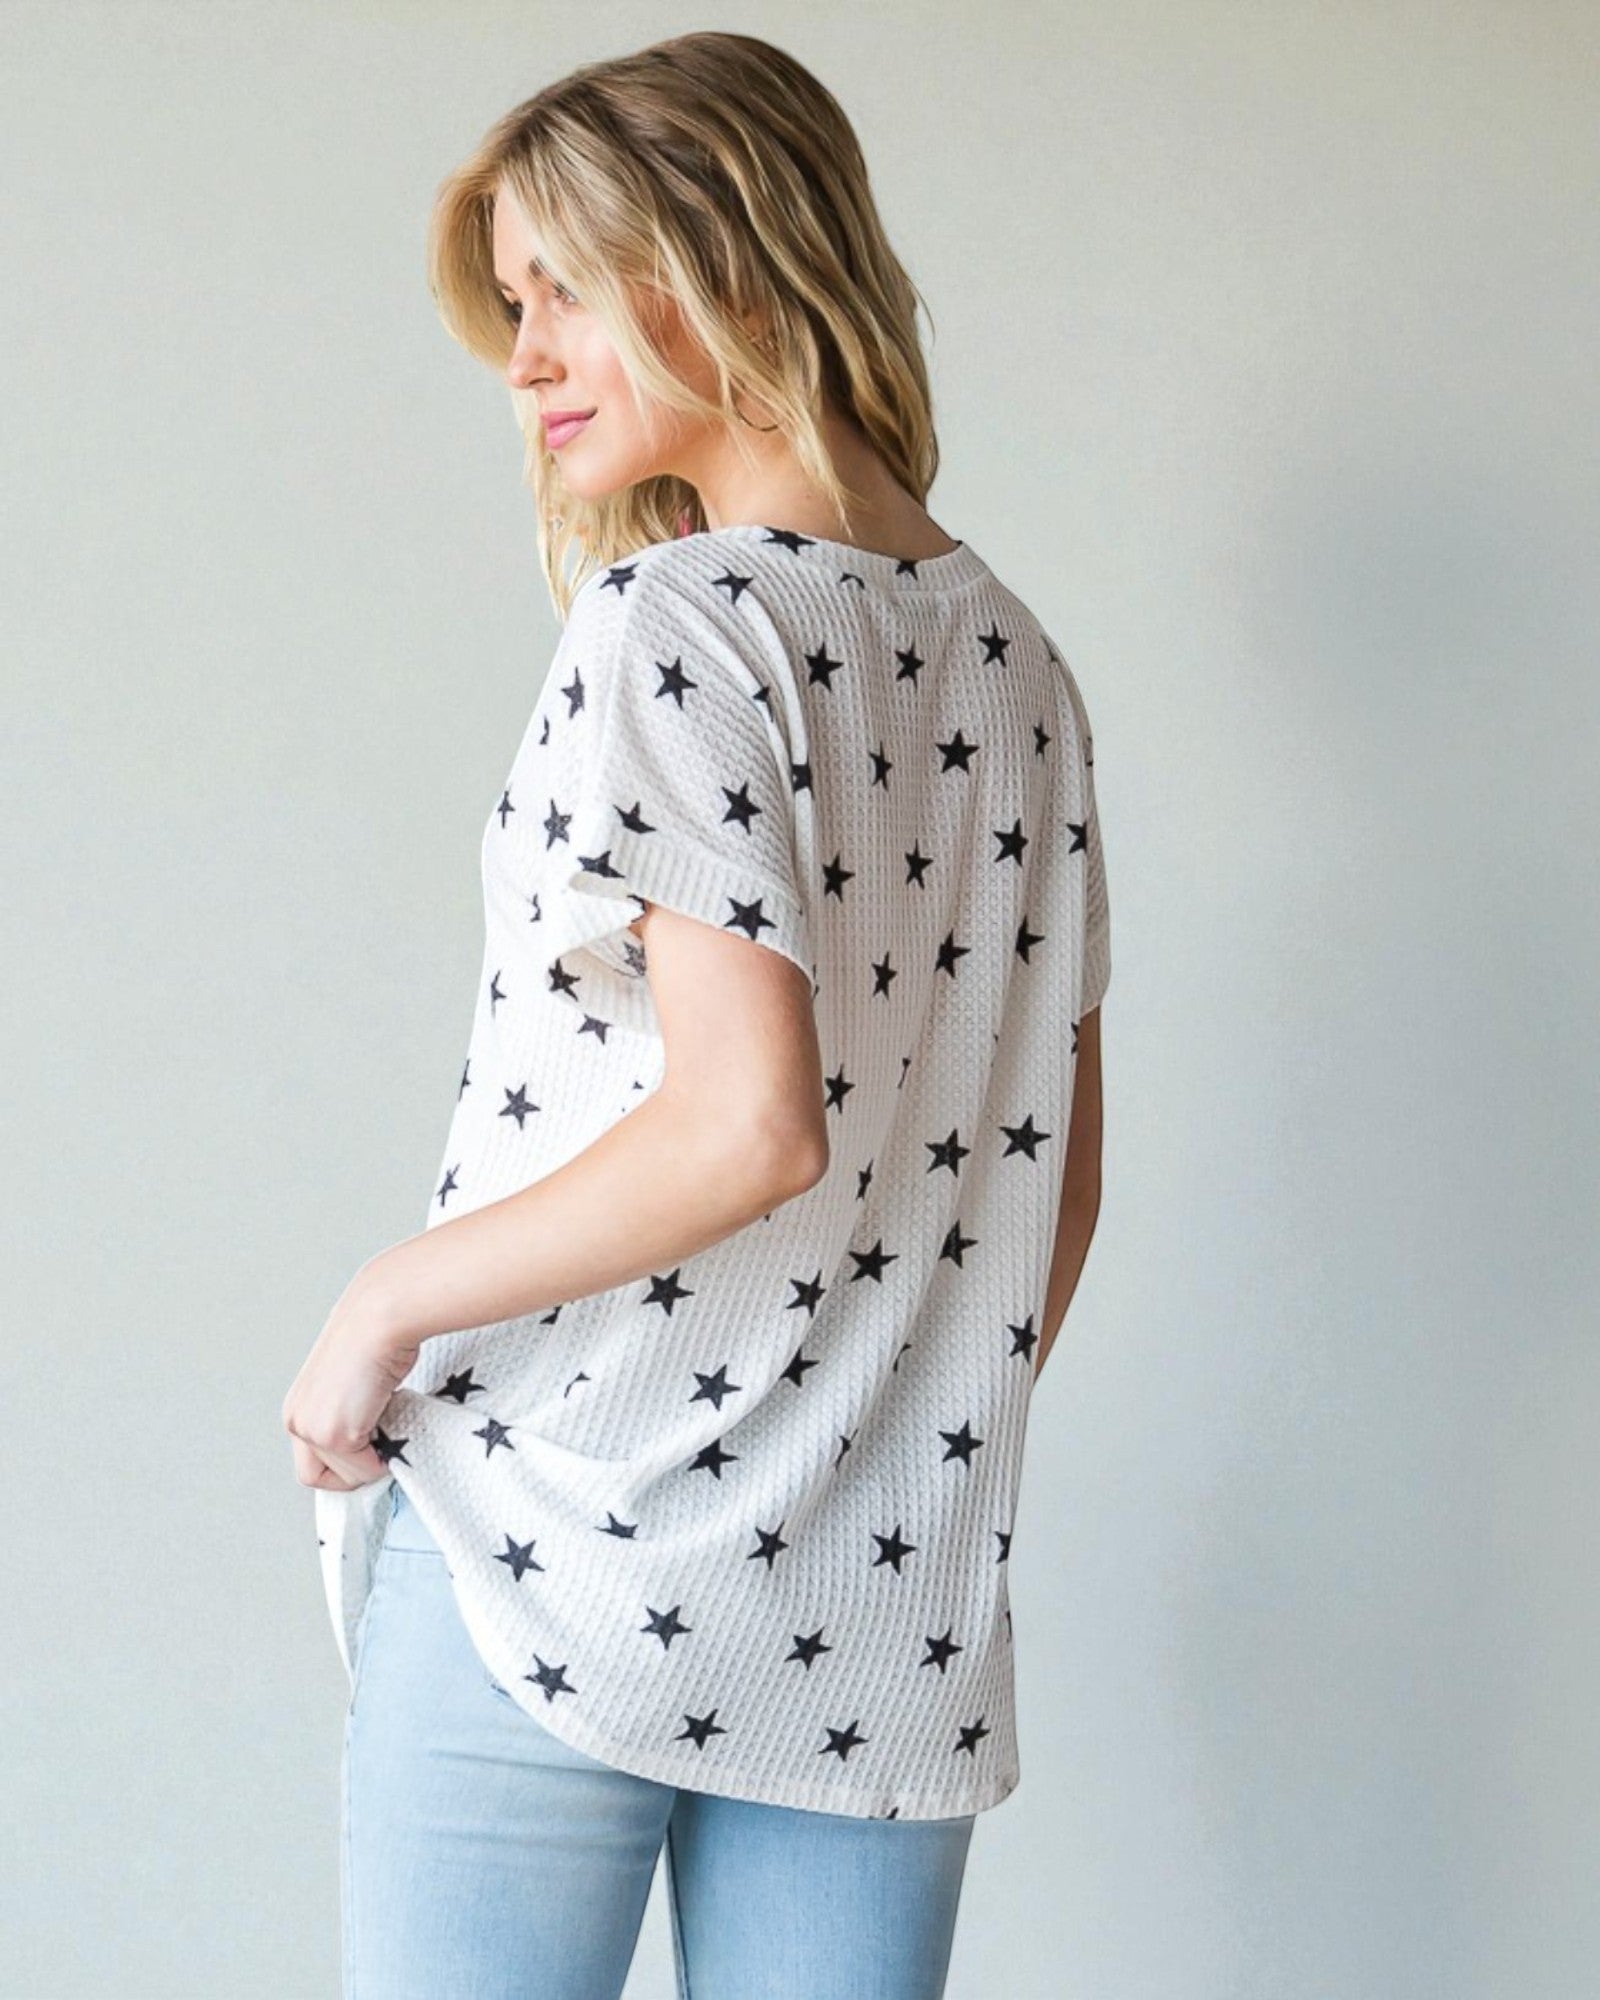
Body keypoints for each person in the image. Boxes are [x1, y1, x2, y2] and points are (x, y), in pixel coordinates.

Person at [281, 29, 1110, 2000]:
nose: (525, 354)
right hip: (873, 1591)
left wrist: (379, 1301)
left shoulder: (681, 625)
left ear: (724, 251)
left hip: (561, 1555)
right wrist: (863, 1453)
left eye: (562, 285)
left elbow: (748, 1124)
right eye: (510, 303)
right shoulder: (1011, 662)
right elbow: (1051, 1187)